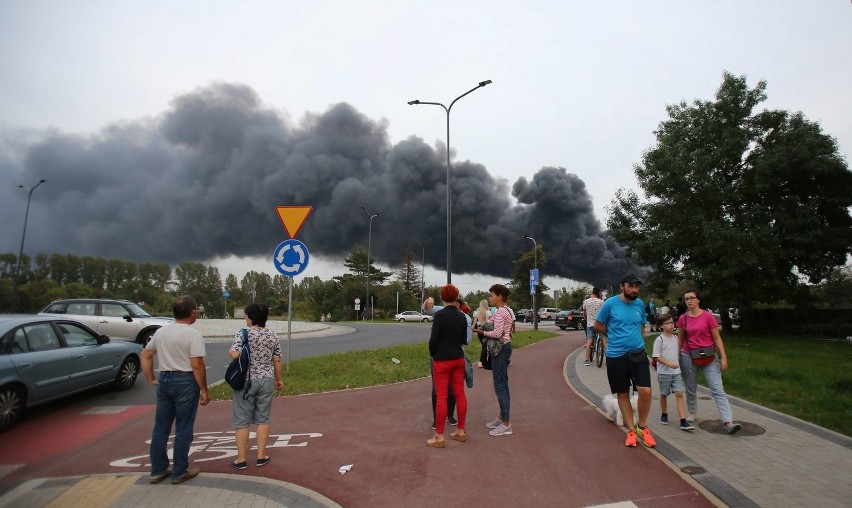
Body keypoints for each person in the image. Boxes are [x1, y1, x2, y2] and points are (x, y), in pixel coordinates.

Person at [141, 295, 209, 485]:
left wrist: (151, 378)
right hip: (185, 381)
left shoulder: (161, 332)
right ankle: (179, 470)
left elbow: (145, 356)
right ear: (192, 312)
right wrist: (204, 390)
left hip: (165, 379)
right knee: (183, 427)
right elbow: (197, 365)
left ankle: (158, 470)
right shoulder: (192, 334)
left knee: (161, 427)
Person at [593, 273, 657, 448]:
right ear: (622, 286)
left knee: (645, 391)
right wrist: (611, 335)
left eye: (637, 287)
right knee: (623, 394)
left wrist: (642, 343)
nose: (634, 290)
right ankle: (630, 430)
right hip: (616, 356)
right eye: (631, 286)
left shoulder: (640, 304)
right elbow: (597, 325)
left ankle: (642, 427)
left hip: (638, 354)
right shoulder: (610, 304)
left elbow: (641, 325)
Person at [677, 289, 742, 435]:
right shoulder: (683, 319)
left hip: (709, 357)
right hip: (688, 356)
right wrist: (677, 357)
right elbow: (680, 339)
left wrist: (724, 357)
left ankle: (728, 421)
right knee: (690, 387)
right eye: (686, 299)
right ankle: (692, 412)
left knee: (717, 389)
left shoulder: (708, 317)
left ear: (698, 300)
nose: (688, 301)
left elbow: (717, 338)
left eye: (691, 298)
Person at [229, 302, 284, 469]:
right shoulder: (272, 336)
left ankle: (241, 459)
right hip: (266, 380)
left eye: (247, 315)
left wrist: (243, 352)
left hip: (246, 381)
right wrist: (278, 379)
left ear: (251, 318)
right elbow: (277, 360)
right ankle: (261, 456)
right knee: (263, 419)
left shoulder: (243, 333)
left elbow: (233, 354)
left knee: (242, 421)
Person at [426, 285, 468, 448]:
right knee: (460, 394)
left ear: (442, 297)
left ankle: (439, 437)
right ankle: (460, 431)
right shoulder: (462, 316)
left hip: (442, 360)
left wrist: (433, 353)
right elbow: (464, 339)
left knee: (441, 396)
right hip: (458, 359)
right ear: (456, 297)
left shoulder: (439, 315)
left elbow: (433, 340)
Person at [473, 283, 514, 437]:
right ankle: (503, 417)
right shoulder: (505, 310)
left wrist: (482, 331)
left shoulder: (502, 312)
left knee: (499, 386)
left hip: (500, 349)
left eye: (492, 295)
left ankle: (506, 424)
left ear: (500, 297)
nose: (490, 297)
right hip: (505, 347)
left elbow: (497, 334)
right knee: (503, 384)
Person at [652, 314, 694, 431]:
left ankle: (682, 420)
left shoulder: (676, 338)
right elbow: (656, 357)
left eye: (672, 322)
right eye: (668, 323)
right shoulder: (659, 340)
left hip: (676, 372)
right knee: (664, 394)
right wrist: (669, 364)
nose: (671, 325)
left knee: (679, 394)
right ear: (661, 326)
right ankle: (664, 414)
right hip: (664, 373)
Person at [422, 297, 457, 427]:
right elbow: (426, 308)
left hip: (454, 355)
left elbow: (467, 339)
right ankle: (437, 418)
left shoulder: (462, 316)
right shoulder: (440, 312)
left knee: (452, 388)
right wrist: (428, 300)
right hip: (439, 355)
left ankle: (450, 415)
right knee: (437, 388)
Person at [581, 287, 605, 366]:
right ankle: (608, 358)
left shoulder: (586, 301)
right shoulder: (601, 302)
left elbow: (584, 312)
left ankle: (587, 360)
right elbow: (604, 312)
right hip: (599, 323)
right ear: (599, 293)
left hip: (590, 324)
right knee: (604, 340)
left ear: (592, 292)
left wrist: (585, 318)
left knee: (589, 341)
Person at [471, 299, 491, 368]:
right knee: (485, 347)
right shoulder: (489, 312)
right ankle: (481, 362)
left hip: (479, 331)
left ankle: (484, 361)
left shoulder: (477, 313)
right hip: (486, 330)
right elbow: (490, 322)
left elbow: (474, 323)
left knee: (484, 346)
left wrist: (472, 329)